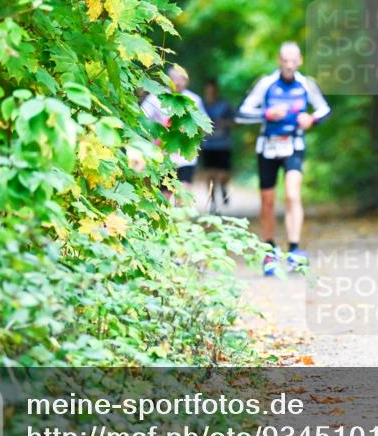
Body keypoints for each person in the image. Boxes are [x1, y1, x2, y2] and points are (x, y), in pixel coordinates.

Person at [237, 42, 331, 275]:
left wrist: (312, 120)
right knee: (267, 201)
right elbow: (242, 113)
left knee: (292, 194)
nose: (289, 65)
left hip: (294, 145)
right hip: (267, 147)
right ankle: (269, 249)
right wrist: (266, 114)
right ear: (279, 61)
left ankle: (295, 249)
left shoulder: (306, 84)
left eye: (293, 60)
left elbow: (324, 109)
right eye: (285, 60)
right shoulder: (266, 83)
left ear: (300, 61)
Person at [138, 65, 207, 199]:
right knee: (165, 195)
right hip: (162, 154)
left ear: (187, 81)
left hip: (185, 155)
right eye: (174, 78)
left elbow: (204, 125)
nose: (178, 82)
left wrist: (192, 132)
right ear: (167, 80)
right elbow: (141, 120)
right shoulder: (156, 98)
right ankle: (168, 219)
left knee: (183, 194)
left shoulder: (194, 100)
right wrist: (157, 131)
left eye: (182, 79)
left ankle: (182, 219)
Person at [200, 79, 237, 213]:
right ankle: (213, 202)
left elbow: (235, 121)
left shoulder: (225, 105)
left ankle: (223, 186)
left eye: (212, 91)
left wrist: (224, 123)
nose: (210, 93)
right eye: (208, 91)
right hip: (207, 145)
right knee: (209, 175)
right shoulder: (201, 104)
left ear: (216, 91)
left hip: (223, 145)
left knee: (222, 175)